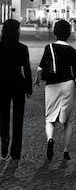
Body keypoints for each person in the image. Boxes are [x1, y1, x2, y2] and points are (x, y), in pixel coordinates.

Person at [35, 19, 76, 161]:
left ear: (55, 32)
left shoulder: (49, 47)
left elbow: (40, 68)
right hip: (68, 85)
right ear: (68, 33)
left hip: (52, 85)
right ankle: (65, 151)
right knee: (67, 121)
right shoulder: (72, 51)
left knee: (50, 119)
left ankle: (50, 139)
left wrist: (38, 79)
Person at [0, 19, 32, 161]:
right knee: (18, 119)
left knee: (3, 116)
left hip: (2, 84)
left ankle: (4, 139)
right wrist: (29, 87)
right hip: (18, 84)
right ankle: (16, 150)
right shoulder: (22, 48)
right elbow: (27, 69)